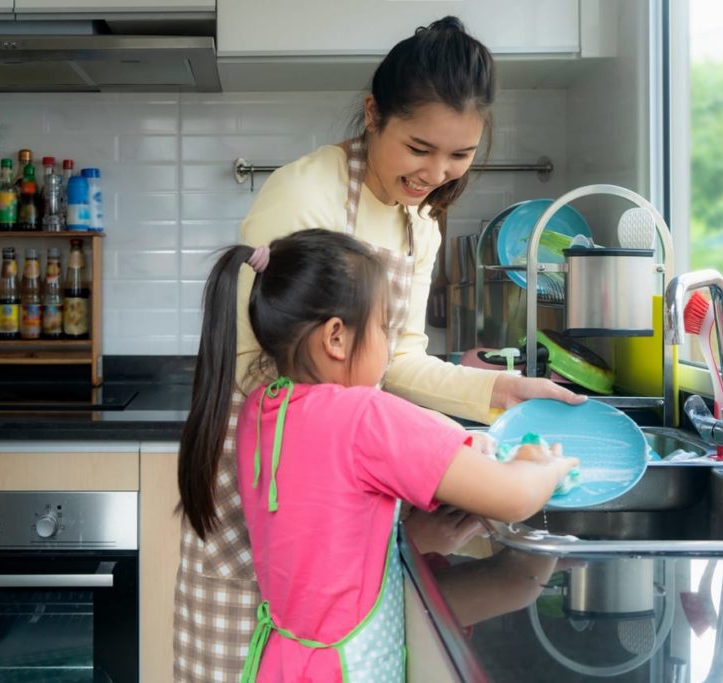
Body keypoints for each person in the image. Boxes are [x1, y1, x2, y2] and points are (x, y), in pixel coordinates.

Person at [174, 16, 584, 681]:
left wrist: (497, 392)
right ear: (373, 115)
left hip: (326, 479)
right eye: (420, 147)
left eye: (459, 155)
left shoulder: (420, 221)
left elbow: (396, 360)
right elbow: (280, 366)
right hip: (271, 482)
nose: (436, 174)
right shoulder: (304, 193)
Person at [180, 229, 576, 682]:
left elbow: (328, 517)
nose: (388, 347)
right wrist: (545, 467)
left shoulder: (263, 409)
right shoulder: (362, 415)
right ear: (336, 337)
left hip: (280, 663)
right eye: (384, 328)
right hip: (344, 670)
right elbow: (513, 497)